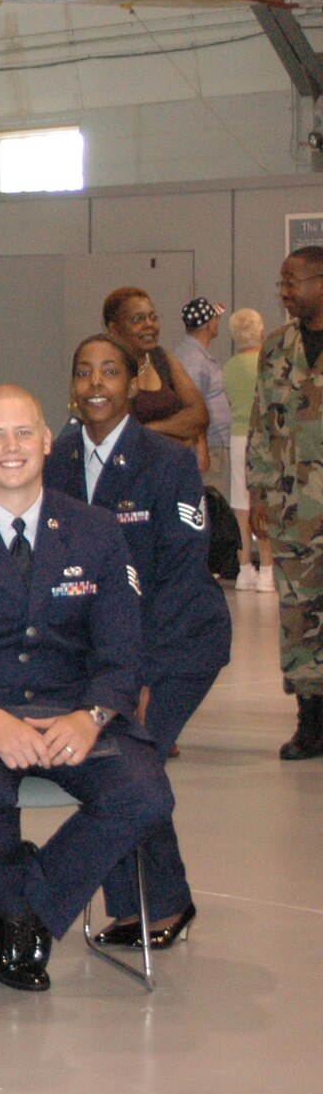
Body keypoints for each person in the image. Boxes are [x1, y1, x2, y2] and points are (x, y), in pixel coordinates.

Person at [0, 385, 174, 991]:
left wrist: (90, 716)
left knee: (144, 795)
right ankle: (14, 908)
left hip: (73, 708)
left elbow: (123, 652)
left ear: (47, 441)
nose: (11, 447)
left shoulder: (97, 531)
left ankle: (15, 908)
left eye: (24, 432)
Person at [45, 333, 230, 948]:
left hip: (176, 644)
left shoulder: (167, 461)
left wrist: (139, 676)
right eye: (84, 372)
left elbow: (180, 576)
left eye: (109, 372)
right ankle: (151, 904)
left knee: (132, 757)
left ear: (132, 384)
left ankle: (159, 905)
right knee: (125, 764)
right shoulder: (56, 460)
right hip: (105, 653)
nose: (96, 384)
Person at [249, 248, 323, 760]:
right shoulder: (277, 346)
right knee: (298, 615)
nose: (284, 291)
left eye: (292, 281)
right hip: (293, 508)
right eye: (282, 282)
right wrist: (257, 492)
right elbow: (262, 422)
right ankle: (310, 722)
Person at [103, 287, 210, 460]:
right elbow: (117, 433)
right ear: (114, 328)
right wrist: (176, 432)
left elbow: (200, 416)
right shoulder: (107, 369)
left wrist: (149, 430)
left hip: (170, 465)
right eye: (138, 319)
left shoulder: (162, 359)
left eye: (153, 317)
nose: (149, 324)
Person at [224, 307, 270, 591]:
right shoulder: (266, 362)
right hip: (262, 437)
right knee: (264, 501)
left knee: (241, 504)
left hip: (237, 437)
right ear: (261, 330)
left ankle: (244, 569)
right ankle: (267, 569)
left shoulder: (230, 367)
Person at [174, 297, 233, 486]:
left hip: (213, 444)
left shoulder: (196, 355)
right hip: (209, 448)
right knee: (211, 498)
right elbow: (193, 407)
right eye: (216, 318)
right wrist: (202, 449)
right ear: (209, 324)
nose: (218, 323)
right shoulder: (194, 360)